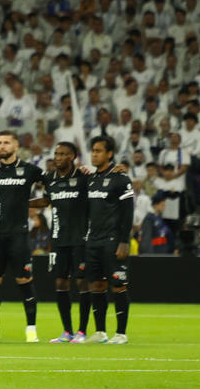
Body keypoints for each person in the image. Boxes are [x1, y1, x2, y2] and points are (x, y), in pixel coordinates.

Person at [0, 130, 46, 343]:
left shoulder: (29, 170)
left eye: (6, 143)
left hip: (18, 234)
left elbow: (52, 184)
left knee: (24, 279)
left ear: (16, 146)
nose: (2, 146)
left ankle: (31, 329)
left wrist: (36, 203)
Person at [82, 136, 134, 345]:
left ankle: (121, 333)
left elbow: (128, 211)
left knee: (118, 286)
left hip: (113, 240)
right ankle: (101, 331)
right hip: (93, 239)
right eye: (93, 150)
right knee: (97, 285)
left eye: (99, 151)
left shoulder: (121, 179)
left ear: (109, 154)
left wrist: (124, 240)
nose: (94, 154)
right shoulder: (92, 179)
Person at [42, 141, 92, 343]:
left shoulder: (83, 177)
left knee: (82, 282)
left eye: (63, 154)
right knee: (61, 281)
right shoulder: (50, 179)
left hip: (80, 238)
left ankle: (82, 331)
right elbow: (46, 201)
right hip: (58, 239)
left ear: (72, 157)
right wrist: (22, 204)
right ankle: (67, 331)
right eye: (56, 154)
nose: (58, 157)